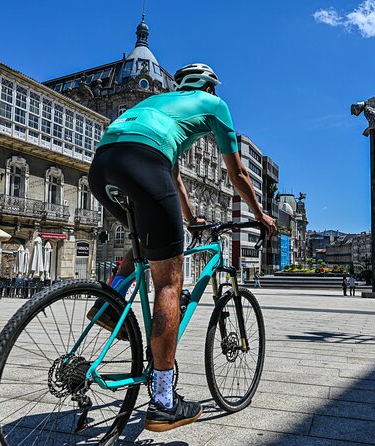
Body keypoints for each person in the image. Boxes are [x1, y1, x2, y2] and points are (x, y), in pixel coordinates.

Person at [86, 63, 277, 432]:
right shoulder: (213, 105)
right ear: (211, 88)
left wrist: (190, 218)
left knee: (142, 241)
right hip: (144, 162)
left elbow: (172, 178)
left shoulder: (161, 102)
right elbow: (237, 173)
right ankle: (162, 400)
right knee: (168, 283)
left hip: (104, 162)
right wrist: (261, 214)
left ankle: (108, 303)